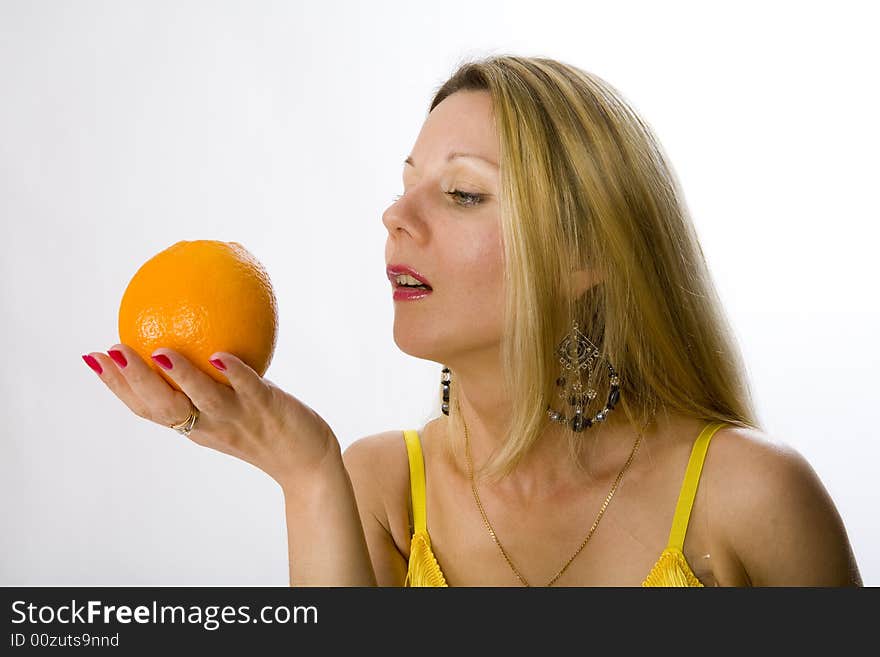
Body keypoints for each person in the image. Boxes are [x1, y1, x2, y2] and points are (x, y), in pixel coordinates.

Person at [83, 55, 862, 587]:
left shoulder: (755, 497)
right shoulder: (381, 490)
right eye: (406, 184)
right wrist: (306, 473)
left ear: (585, 254)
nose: (394, 216)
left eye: (462, 194)